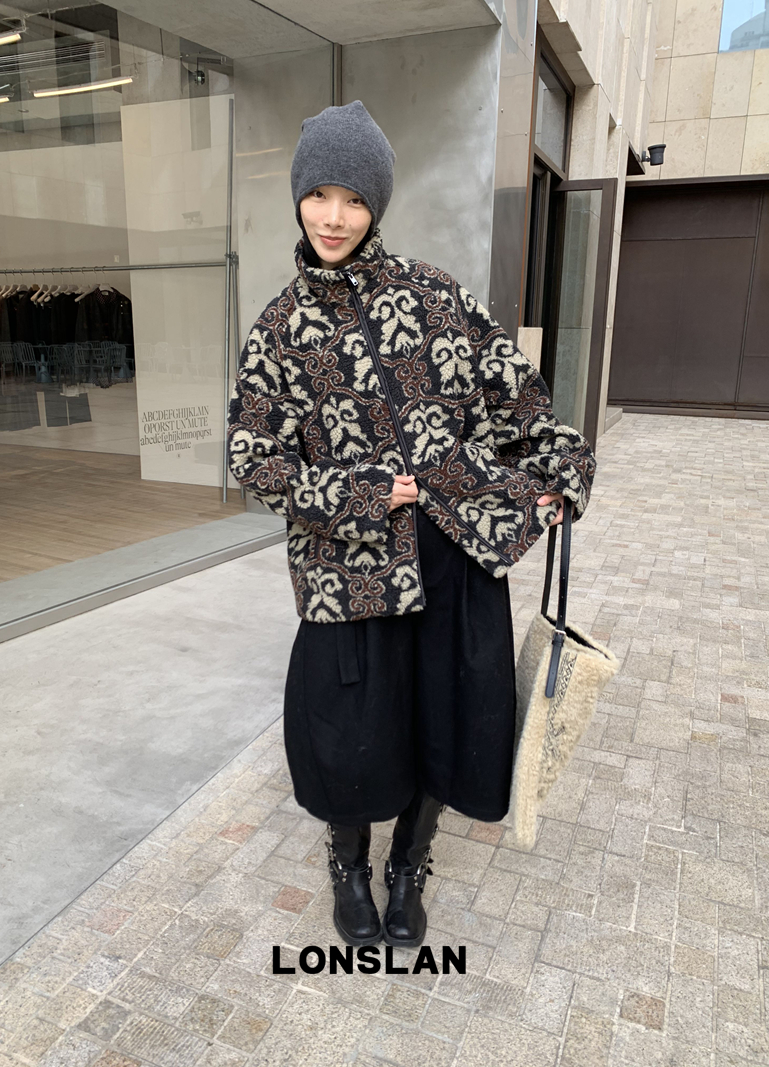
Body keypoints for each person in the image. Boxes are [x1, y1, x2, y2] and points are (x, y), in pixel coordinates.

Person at [227, 101, 596, 949]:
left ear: (377, 205)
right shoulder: (280, 328)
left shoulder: (435, 295)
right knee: (352, 730)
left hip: (451, 555)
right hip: (349, 568)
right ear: (298, 196)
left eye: (354, 198)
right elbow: (254, 459)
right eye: (318, 194)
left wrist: (560, 475)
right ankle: (348, 863)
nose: (333, 216)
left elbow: (521, 404)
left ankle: (409, 863)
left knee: (442, 714)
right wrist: (363, 491)